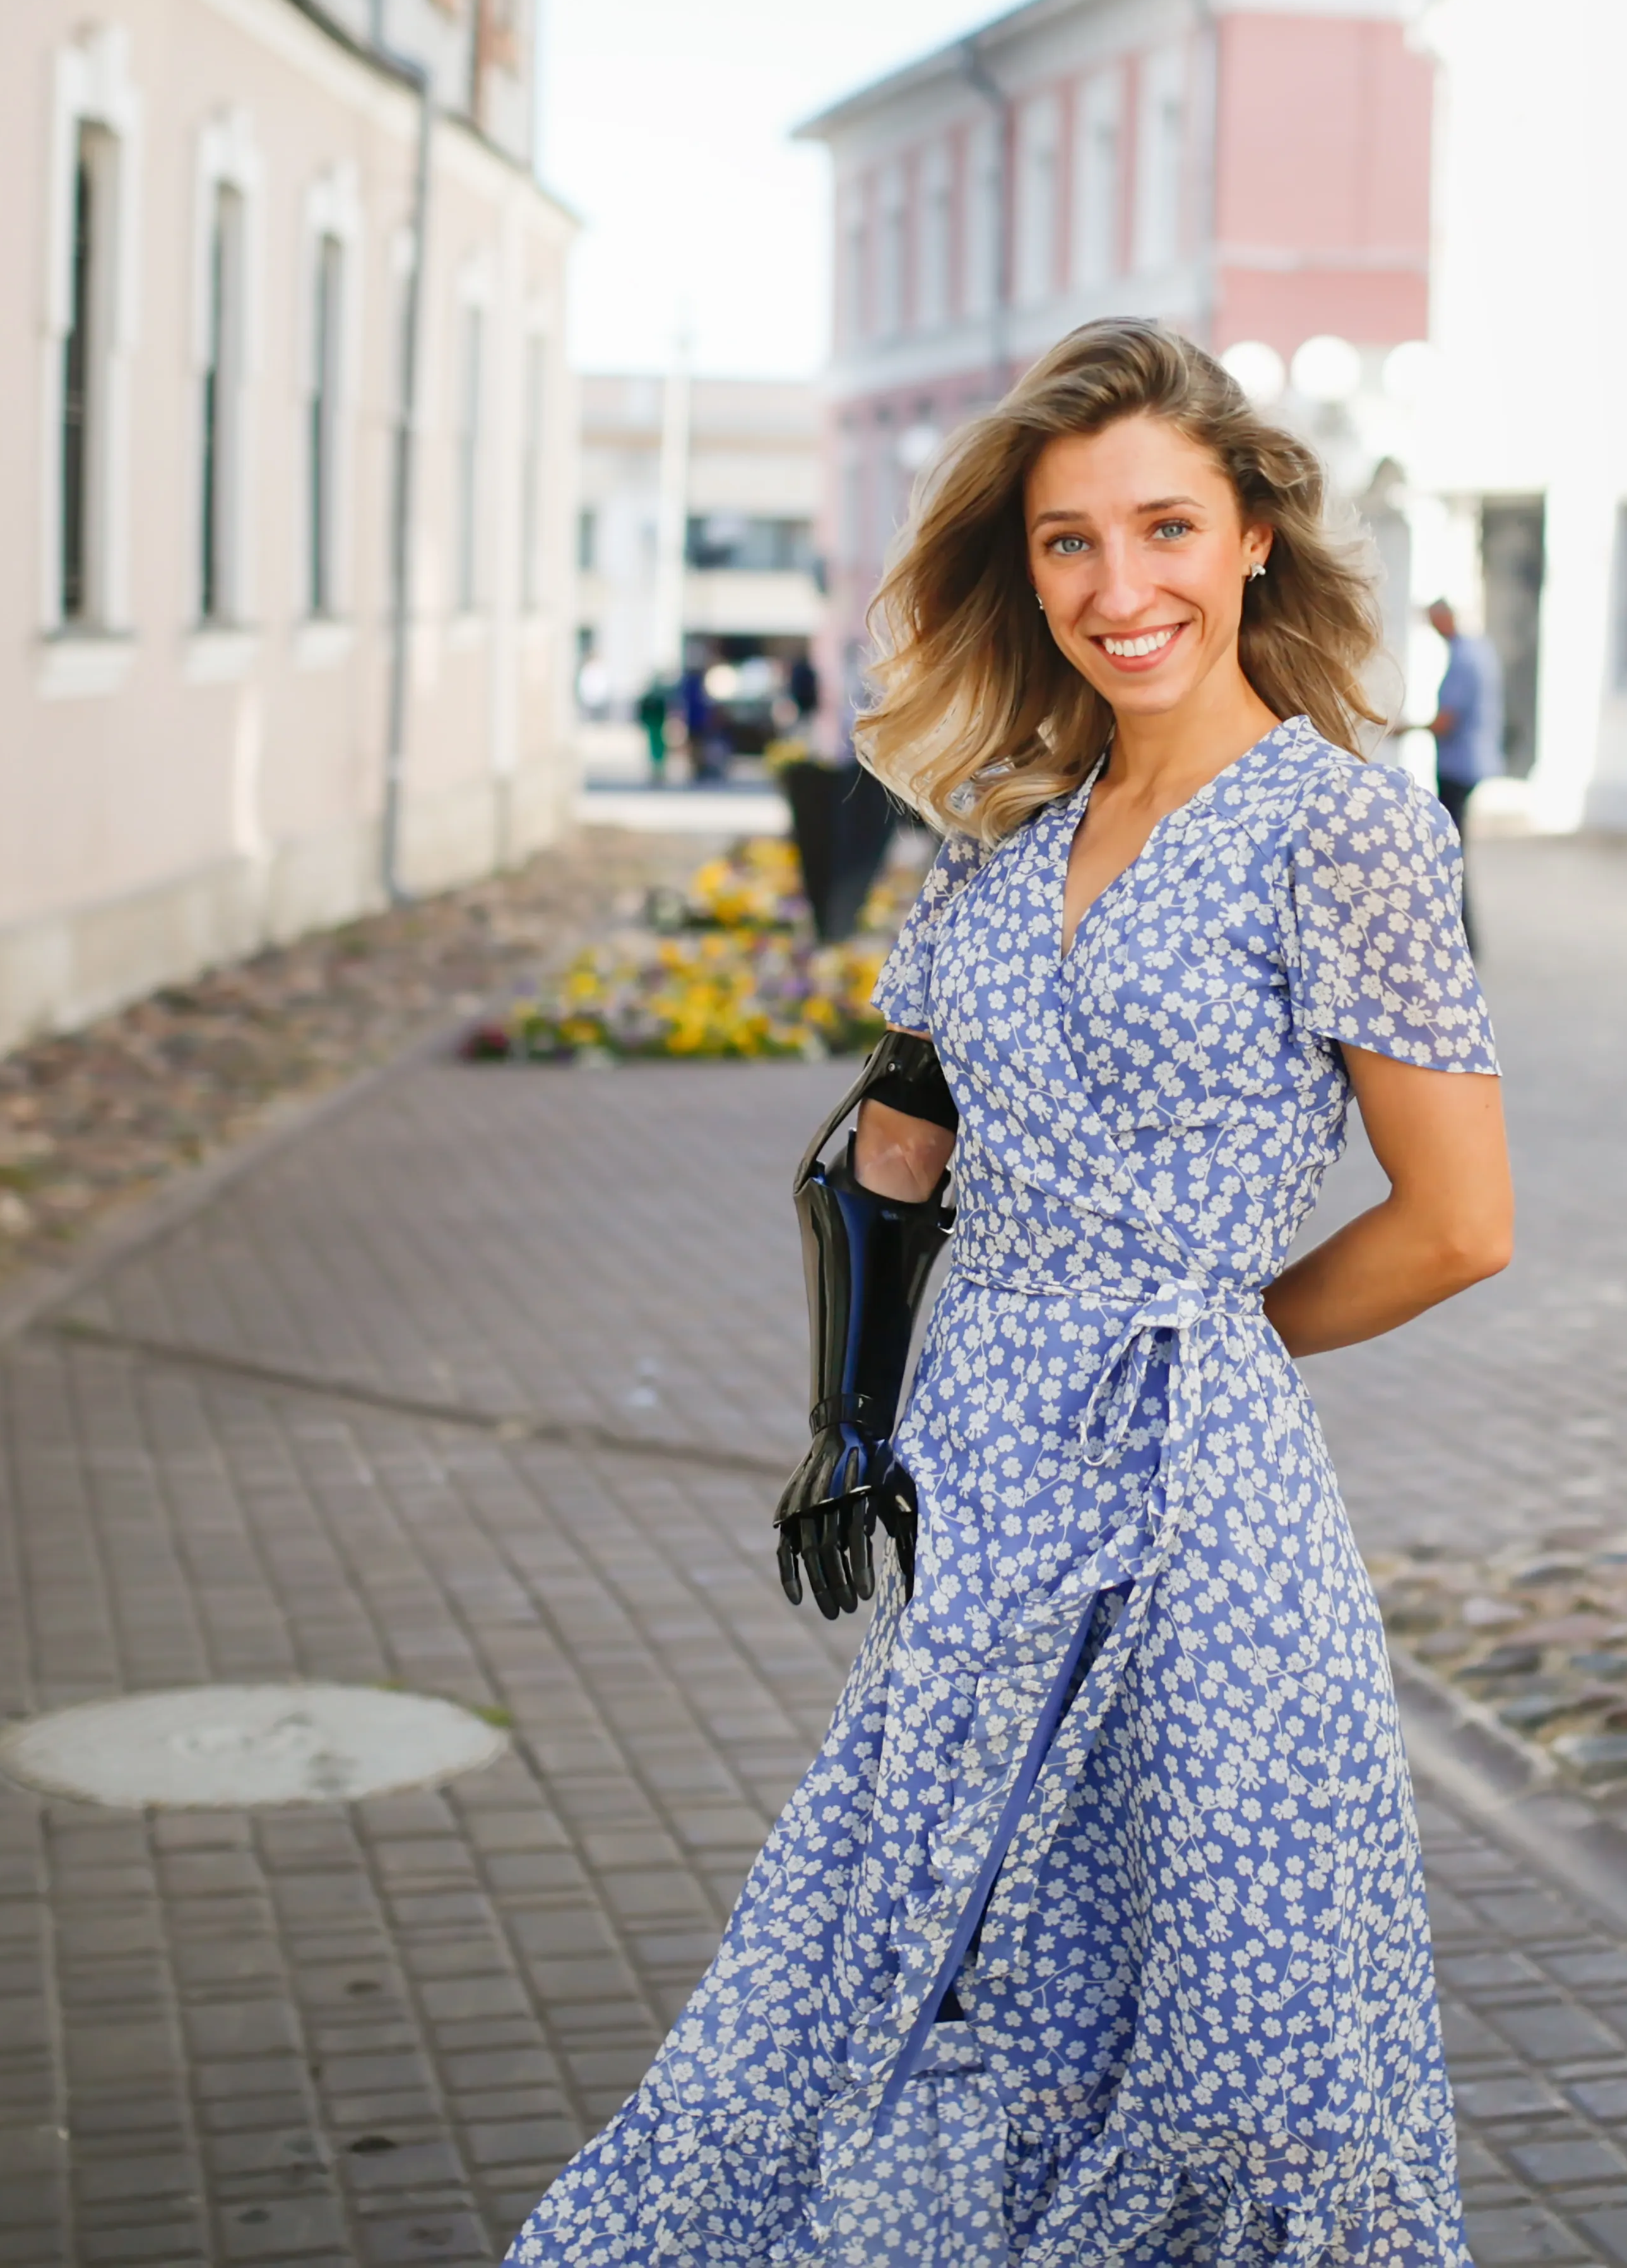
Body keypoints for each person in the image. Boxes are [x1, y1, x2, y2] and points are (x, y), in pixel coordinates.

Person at [511, 319, 1512, 2267]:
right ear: (1024, 569)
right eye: (1068, 542)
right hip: (979, 1488)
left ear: (1250, 543)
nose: (1116, 586)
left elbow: (1459, 1221)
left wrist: (1209, 1339)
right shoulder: (1004, 846)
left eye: (1162, 528)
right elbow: (884, 1160)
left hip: (1188, 1510)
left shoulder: (1346, 829)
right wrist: (852, 1419)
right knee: (935, 1961)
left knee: (1217, 2006)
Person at [1421, 594, 1501, 958]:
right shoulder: (1478, 651)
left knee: (1450, 853)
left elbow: (1445, 721)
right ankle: (1464, 937)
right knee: (1454, 850)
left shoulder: (1463, 658)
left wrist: (1402, 729)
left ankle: (1461, 938)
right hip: (1472, 762)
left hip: (1457, 766)